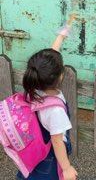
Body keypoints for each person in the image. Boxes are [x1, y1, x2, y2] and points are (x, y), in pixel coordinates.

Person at [16, 28, 78, 180]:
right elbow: (57, 142)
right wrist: (66, 167)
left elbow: (51, 56)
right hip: (49, 156)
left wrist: (60, 37)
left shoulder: (35, 85)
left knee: (31, 171)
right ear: (61, 76)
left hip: (35, 146)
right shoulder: (55, 111)